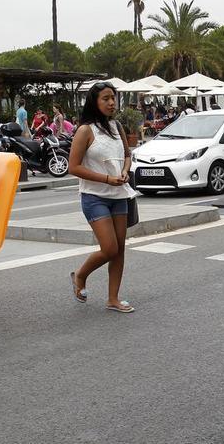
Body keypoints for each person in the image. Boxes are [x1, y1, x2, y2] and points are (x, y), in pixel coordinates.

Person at [68, 82, 136, 313]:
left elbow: (127, 155)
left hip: (119, 195)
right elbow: (73, 167)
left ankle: (113, 299)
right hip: (94, 196)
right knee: (109, 248)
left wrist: (126, 170)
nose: (111, 102)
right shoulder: (85, 130)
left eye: (113, 98)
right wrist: (106, 179)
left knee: (120, 249)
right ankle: (80, 275)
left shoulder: (116, 126)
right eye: (106, 98)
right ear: (94, 102)